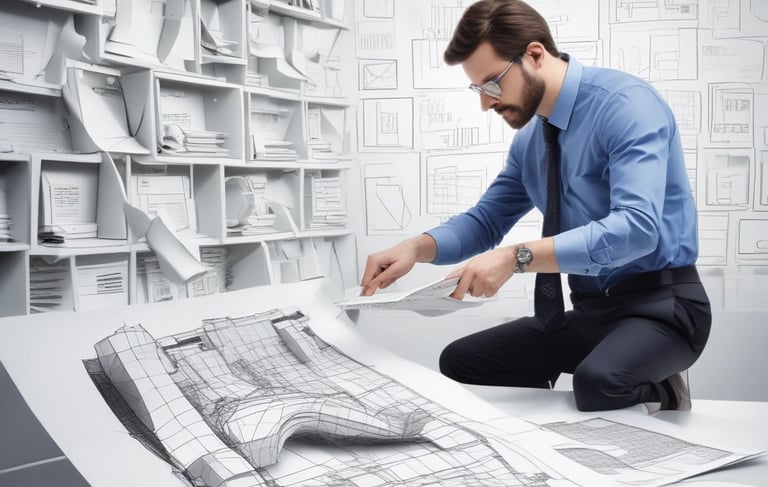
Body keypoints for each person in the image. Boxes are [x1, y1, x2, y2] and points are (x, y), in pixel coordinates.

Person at [359, 0, 711, 412]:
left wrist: (518, 257)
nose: (486, 103)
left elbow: (636, 229)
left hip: (663, 308)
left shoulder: (626, 105)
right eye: (479, 90)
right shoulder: (531, 142)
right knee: (461, 361)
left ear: (534, 54)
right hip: (591, 311)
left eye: (492, 84)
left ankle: (663, 388)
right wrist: (415, 248)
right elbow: (486, 221)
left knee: (599, 383)